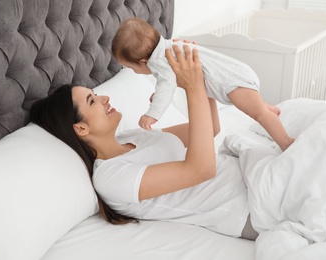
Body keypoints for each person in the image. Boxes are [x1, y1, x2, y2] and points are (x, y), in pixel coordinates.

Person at [30, 44, 258, 240]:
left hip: (250, 171)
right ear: (80, 128)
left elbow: (210, 130)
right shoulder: (110, 178)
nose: (104, 98)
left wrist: (200, 74)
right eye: (92, 101)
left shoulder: (131, 136)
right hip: (248, 205)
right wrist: (193, 86)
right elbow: (202, 170)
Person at [111, 17, 294, 151]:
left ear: (143, 61)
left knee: (259, 115)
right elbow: (167, 85)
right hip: (238, 74)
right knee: (256, 106)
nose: (134, 72)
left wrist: (152, 115)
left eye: (131, 67)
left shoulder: (161, 60)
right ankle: (269, 109)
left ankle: (285, 142)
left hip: (232, 82)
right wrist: (158, 96)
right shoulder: (169, 48)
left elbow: (167, 85)